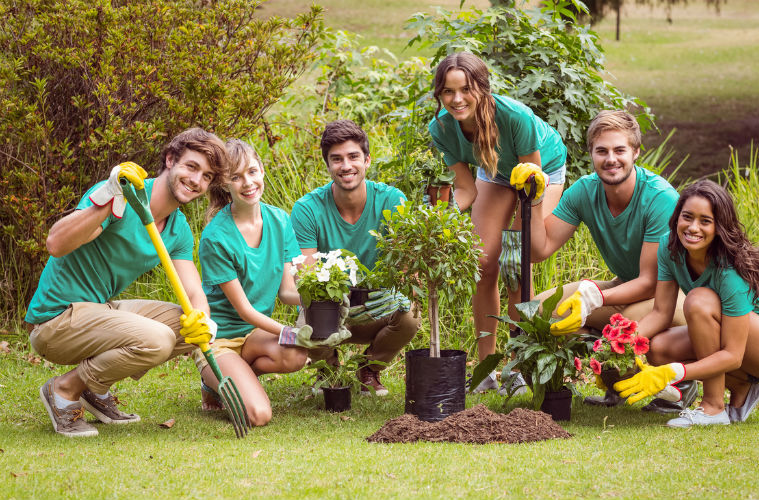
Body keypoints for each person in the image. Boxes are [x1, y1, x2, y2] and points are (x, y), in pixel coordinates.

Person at [25, 128, 228, 437]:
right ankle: (64, 389)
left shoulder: (177, 228)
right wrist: (108, 199)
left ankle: (95, 387)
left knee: (186, 326)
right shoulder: (122, 195)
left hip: (98, 310)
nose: (197, 180)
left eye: (207, 176)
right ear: (170, 160)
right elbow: (56, 244)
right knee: (157, 338)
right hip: (56, 320)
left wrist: (204, 320)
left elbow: (192, 291)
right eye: (192, 166)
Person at [514, 110, 695, 411]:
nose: (611, 159)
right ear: (591, 155)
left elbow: (650, 281)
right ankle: (615, 384)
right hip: (626, 287)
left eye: (620, 150)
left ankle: (678, 382)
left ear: (636, 152)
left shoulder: (658, 198)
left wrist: (593, 298)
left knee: (624, 328)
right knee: (539, 315)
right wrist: (534, 200)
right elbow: (538, 250)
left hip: (673, 294)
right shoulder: (585, 191)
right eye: (602, 151)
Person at [428, 52, 568, 393]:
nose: (457, 99)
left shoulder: (515, 117)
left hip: (539, 173)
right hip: (493, 173)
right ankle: (487, 371)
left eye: (465, 89)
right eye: (448, 91)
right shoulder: (441, 128)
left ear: (482, 88)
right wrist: (437, 219)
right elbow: (465, 190)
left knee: (515, 266)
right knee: (482, 264)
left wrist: (516, 238)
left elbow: (531, 183)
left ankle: (518, 368)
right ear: (440, 94)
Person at [614, 180, 759, 427]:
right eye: (687, 217)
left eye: (705, 221)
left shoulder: (728, 269)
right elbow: (660, 313)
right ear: (676, 217)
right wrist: (619, 345)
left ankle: (713, 408)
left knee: (699, 300)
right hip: (737, 337)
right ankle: (741, 385)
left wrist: (674, 372)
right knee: (658, 348)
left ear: (719, 227)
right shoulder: (669, 248)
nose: (693, 228)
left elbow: (733, 356)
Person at [197, 139, 342, 426]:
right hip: (221, 341)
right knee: (259, 415)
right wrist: (293, 331)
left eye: (252, 171)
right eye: (235, 177)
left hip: (253, 335)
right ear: (225, 184)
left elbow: (288, 291)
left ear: (262, 171)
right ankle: (213, 379)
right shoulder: (216, 237)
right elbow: (245, 312)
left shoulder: (279, 220)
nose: (247, 183)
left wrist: (327, 301)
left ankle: (236, 378)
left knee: (296, 357)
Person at [291, 119, 420, 396]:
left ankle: (368, 368)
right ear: (327, 165)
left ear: (367, 160)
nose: (346, 166)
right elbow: (308, 276)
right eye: (336, 159)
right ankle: (330, 370)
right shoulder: (307, 209)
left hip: (376, 303)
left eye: (353, 157)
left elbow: (406, 267)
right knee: (309, 318)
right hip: (330, 305)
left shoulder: (391, 201)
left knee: (410, 313)